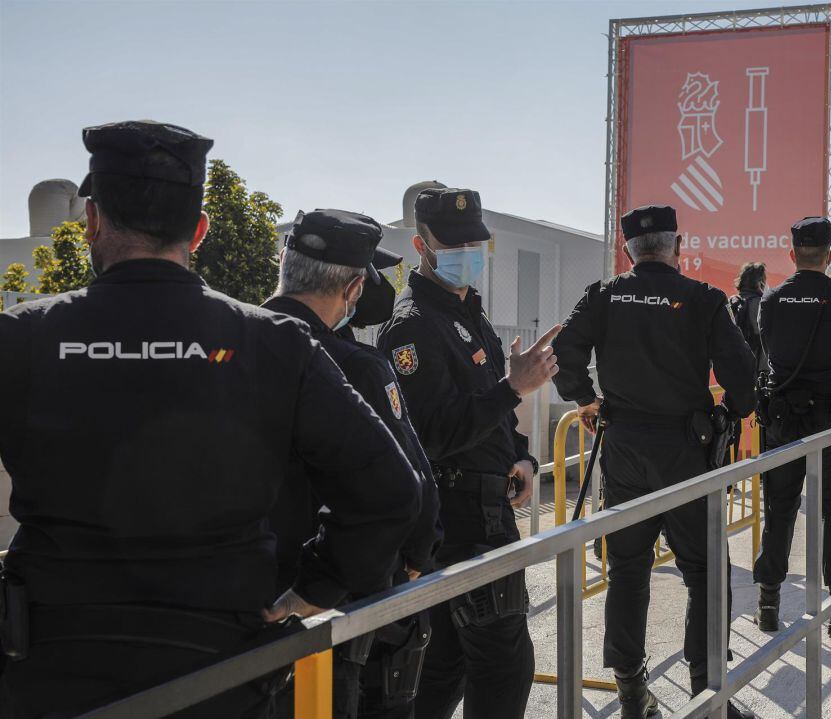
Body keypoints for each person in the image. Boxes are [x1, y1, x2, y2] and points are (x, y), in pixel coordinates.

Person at [0, 121, 422, 718]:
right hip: (225, 669)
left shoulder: (20, 338)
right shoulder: (275, 342)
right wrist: (314, 590)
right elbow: (391, 490)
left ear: (91, 221)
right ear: (198, 231)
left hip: (53, 667)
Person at [552, 205, 757, 719]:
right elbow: (742, 376)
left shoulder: (604, 296)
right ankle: (707, 693)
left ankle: (631, 695)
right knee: (706, 570)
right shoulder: (704, 298)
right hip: (687, 451)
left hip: (623, 450)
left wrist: (586, 400)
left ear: (628, 251)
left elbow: (564, 350)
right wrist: (730, 412)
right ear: (677, 246)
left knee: (627, 569)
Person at [378, 187, 558, 719]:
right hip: (458, 519)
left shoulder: (469, 312)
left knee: (446, 664)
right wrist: (513, 388)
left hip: (487, 506)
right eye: (453, 245)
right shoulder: (411, 326)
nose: (467, 254)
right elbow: (432, 434)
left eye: (475, 244)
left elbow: (492, 413)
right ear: (421, 246)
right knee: (503, 667)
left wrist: (522, 457)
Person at [263, 209, 442, 719]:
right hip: (335, 600)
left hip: (244, 596)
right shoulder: (356, 366)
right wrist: (415, 557)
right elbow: (410, 487)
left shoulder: (229, 346)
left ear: (284, 264)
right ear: (354, 288)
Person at [754, 216, 831, 638]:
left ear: (792, 254)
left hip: (783, 420)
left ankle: (768, 604)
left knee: (779, 508)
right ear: (829, 255)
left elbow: (769, 350)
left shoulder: (772, 300)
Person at [730, 262, 768, 375]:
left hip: (734, 368)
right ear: (760, 282)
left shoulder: (731, 302)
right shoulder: (762, 304)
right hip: (759, 370)